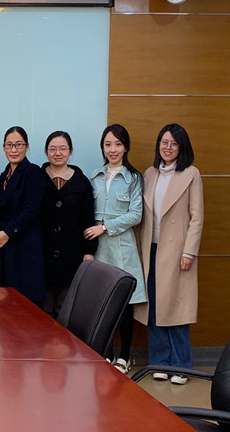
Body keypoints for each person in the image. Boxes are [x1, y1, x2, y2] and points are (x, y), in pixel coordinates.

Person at [136, 124, 203, 385]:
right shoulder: (150, 173)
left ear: (181, 147)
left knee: (176, 309)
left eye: (173, 143)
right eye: (164, 142)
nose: (167, 147)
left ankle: (182, 366)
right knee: (154, 307)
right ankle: (160, 363)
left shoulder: (191, 174)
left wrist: (189, 252)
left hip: (177, 252)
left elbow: (197, 217)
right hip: (151, 249)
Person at [86, 124, 147, 374]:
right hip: (99, 249)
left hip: (122, 247)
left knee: (124, 303)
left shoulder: (134, 178)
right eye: (108, 144)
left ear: (126, 147)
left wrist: (105, 227)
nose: (113, 149)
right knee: (103, 302)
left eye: (118, 144)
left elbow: (136, 215)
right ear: (102, 147)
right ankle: (107, 353)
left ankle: (124, 356)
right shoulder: (94, 177)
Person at [39, 131, 97, 318]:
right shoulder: (37, 179)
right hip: (42, 256)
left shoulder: (81, 182)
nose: (58, 153)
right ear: (46, 152)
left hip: (72, 255)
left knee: (66, 310)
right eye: (53, 149)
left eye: (63, 148)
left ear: (70, 151)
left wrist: (89, 251)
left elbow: (88, 220)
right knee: (43, 310)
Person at [0, 126, 46, 304]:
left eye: (19, 144)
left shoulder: (33, 172)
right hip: (5, 244)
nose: (14, 150)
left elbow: (31, 210)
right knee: (5, 300)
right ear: (4, 148)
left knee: (24, 300)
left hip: (25, 243)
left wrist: (8, 233)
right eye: (9, 145)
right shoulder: (4, 176)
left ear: (27, 146)